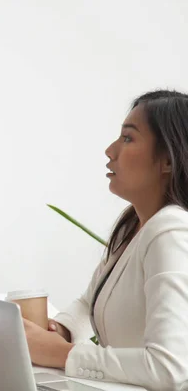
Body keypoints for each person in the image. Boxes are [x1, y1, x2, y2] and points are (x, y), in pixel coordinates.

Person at [23, 90, 188, 390]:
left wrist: (61, 353)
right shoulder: (132, 227)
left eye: (128, 138)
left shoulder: (172, 231)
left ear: (167, 159)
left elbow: (169, 368)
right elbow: (90, 302)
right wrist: (59, 328)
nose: (110, 150)